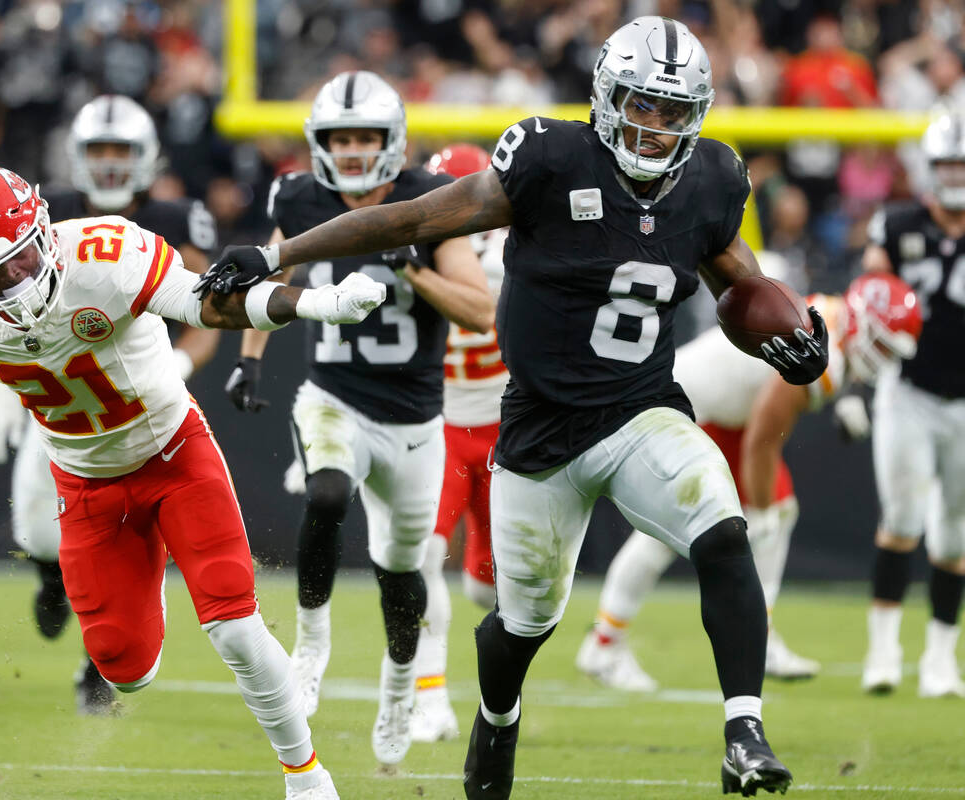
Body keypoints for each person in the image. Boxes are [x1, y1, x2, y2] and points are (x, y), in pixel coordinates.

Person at [196, 18, 831, 798]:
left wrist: (792, 337)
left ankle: (743, 732)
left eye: (673, 111)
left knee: (723, 531)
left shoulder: (712, 180)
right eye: (641, 103)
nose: (655, 126)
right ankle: (496, 718)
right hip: (540, 434)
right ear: (606, 95)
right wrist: (278, 252)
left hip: (642, 412)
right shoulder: (550, 158)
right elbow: (415, 218)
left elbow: (743, 288)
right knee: (522, 626)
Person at [0, 163, 389, 799]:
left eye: (21, 261)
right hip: (82, 482)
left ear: (42, 231)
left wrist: (316, 303)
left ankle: (306, 777)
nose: (15, 282)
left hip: (173, 454)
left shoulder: (105, 254)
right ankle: (147, 575)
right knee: (125, 670)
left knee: (235, 627)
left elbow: (209, 304)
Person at [223, 71, 494, 767]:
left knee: (402, 570)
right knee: (327, 493)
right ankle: (311, 645)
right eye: (338, 138)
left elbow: (480, 308)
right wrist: (251, 358)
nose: (349, 150)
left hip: (414, 419)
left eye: (364, 137)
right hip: (332, 396)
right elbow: (272, 282)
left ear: (392, 141)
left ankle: (401, 685)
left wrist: (416, 272)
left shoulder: (428, 204)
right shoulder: (302, 198)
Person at [0, 94, 221, 714]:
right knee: (35, 526)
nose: (109, 164)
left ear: (147, 158)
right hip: (60, 398)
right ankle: (50, 576)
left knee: (126, 540)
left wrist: (182, 365)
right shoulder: (36, 215)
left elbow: (210, 309)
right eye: (98, 151)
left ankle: (98, 668)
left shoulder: (174, 215)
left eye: (121, 151)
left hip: (137, 403)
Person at [576, 267, 921, 691]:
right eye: (882, 345)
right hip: (686, 409)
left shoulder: (827, 320)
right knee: (680, 532)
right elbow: (762, 440)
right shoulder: (813, 346)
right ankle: (605, 643)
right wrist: (757, 513)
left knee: (779, 511)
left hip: (715, 411)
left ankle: (762, 633)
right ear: (863, 323)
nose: (883, 359)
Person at [860, 106, 965, 698]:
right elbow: (869, 291)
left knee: (955, 537)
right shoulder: (898, 224)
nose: (955, 174)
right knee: (900, 520)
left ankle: (940, 661)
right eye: (948, 162)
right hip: (910, 390)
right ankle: (883, 652)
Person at [410, 143, 506, 744]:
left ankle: (495, 704)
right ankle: (429, 696)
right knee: (421, 556)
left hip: (504, 432)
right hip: (441, 428)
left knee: (491, 587)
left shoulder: (511, 257)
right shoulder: (421, 255)